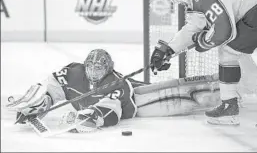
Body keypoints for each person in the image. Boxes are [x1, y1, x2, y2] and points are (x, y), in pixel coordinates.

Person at [150, 0, 257, 129]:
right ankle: (230, 107)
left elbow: (225, 30)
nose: (181, 2)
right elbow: (193, 28)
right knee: (228, 51)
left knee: (227, 51)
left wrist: (203, 41)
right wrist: (169, 50)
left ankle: (229, 108)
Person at [6, 49, 220, 133]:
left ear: (107, 68)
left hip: (136, 104)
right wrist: (41, 102)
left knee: (177, 96)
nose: (92, 72)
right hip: (128, 94)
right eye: (90, 67)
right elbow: (52, 85)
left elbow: (112, 110)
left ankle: (219, 89)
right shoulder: (73, 71)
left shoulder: (116, 82)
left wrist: (93, 117)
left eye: (98, 68)